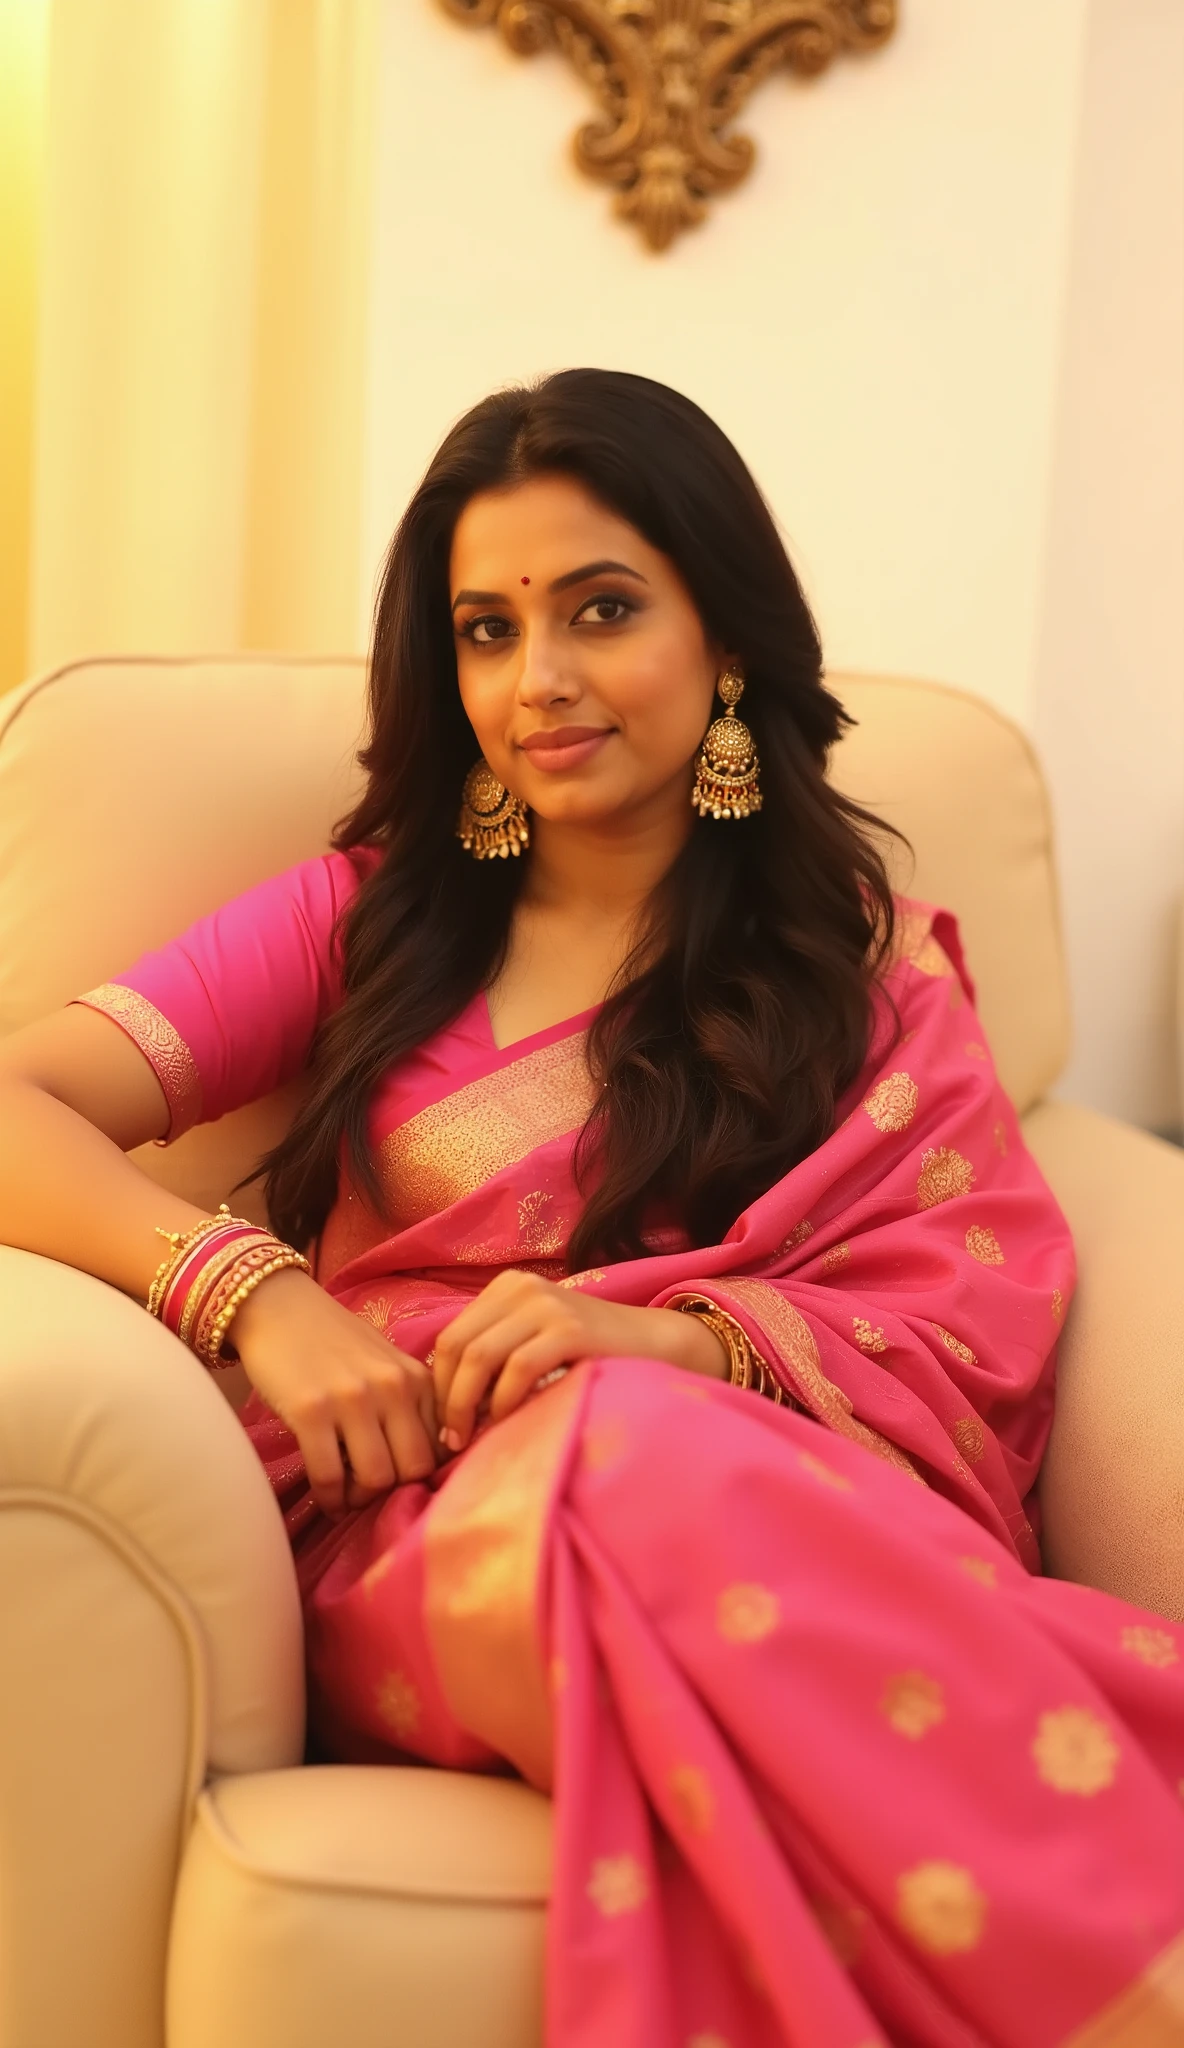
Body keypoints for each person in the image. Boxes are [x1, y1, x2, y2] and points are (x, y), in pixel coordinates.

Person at [0, 369, 1180, 2047]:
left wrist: (672, 1345)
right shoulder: (363, 926)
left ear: (729, 634)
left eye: (600, 610)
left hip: (768, 1501)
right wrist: (256, 1291)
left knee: (639, 1435)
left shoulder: (861, 974)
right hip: (416, 1523)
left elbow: (963, 1313)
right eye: (486, 631)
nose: (536, 680)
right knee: (629, 1451)